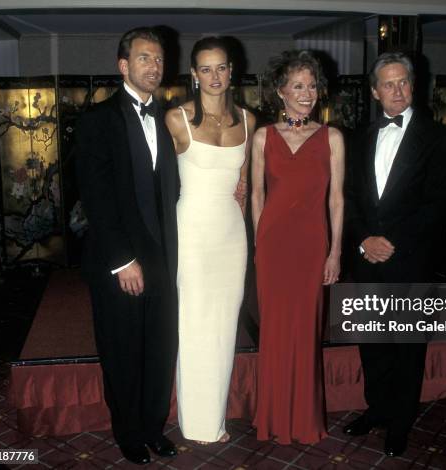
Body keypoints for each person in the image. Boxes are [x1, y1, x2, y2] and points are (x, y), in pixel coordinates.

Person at [343, 52, 446, 457]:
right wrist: (363, 241)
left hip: (411, 257)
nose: (397, 90)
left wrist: (388, 243)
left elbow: (438, 205)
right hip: (365, 257)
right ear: (375, 91)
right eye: (388, 84)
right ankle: (377, 409)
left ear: (414, 85)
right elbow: (349, 198)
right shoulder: (357, 136)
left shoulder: (444, 138)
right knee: (372, 341)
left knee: (407, 346)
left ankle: (400, 421)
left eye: (403, 82)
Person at [75, 27, 179, 465]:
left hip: (166, 258)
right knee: (122, 351)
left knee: (159, 349)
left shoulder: (174, 118)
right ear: (123, 66)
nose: (153, 66)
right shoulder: (97, 121)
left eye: (158, 59)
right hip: (120, 262)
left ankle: (153, 427)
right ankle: (129, 433)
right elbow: (96, 199)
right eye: (143, 58)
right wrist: (123, 261)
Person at [165, 37, 255, 445]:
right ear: (194, 75)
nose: (215, 76)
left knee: (223, 326)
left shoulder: (249, 121)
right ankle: (196, 422)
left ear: (231, 71)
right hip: (192, 231)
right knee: (194, 324)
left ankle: (214, 417)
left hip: (231, 233)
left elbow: (245, 182)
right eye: (206, 68)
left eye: (221, 68)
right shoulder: (175, 119)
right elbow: (159, 184)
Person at [251, 50, 345, 444]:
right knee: (273, 331)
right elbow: (256, 193)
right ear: (280, 90)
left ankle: (303, 420)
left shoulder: (332, 137)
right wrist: (259, 245)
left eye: (312, 86)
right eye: (297, 86)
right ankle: (271, 417)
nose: (306, 93)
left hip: (311, 246)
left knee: (306, 332)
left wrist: (335, 251)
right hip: (273, 246)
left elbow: (337, 199)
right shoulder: (263, 136)